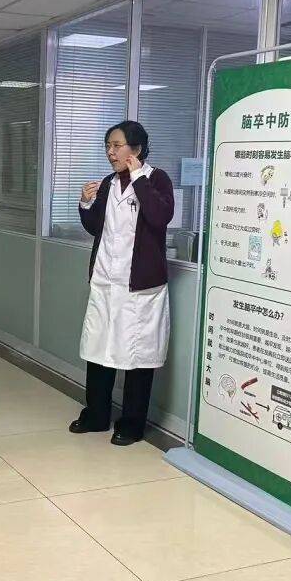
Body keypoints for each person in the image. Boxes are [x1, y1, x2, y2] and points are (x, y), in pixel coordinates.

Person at [69, 121, 174, 447]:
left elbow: (160, 217)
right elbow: (97, 227)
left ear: (137, 149)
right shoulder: (108, 183)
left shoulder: (157, 179)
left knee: (138, 357)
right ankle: (96, 415)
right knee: (99, 351)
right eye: (108, 146)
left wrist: (139, 177)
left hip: (140, 289)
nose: (110, 152)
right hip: (106, 282)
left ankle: (131, 425)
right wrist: (85, 203)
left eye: (116, 146)